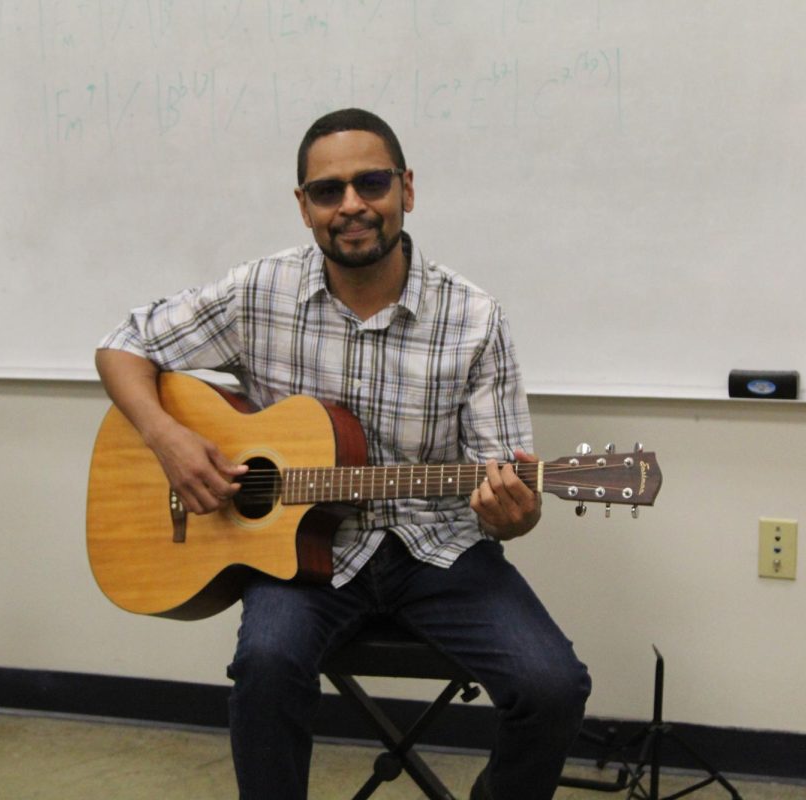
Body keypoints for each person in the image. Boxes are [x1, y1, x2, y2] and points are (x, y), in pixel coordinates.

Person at [96, 108, 591, 800]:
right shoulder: (258, 291)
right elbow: (122, 345)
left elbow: (506, 494)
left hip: (437, 549)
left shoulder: (475, 318)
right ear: (303, 207)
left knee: (553, 685)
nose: (352, 205)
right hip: (300, 555)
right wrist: (168, 437)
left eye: (372, 183)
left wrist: (514, 513)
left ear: (406, 190)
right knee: (266, 664)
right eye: (328, 191)